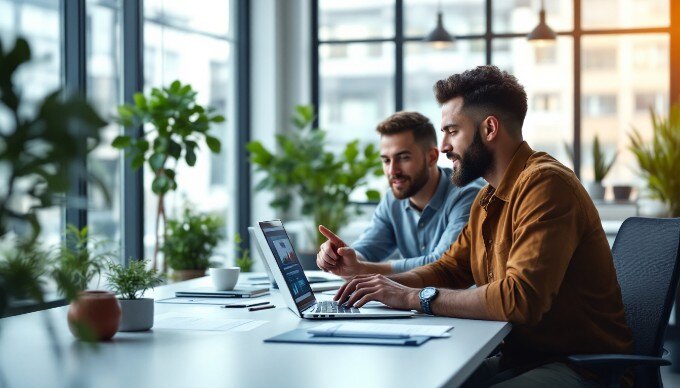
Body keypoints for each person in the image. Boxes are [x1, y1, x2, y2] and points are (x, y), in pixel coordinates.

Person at [326, 66, 633, 387]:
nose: (443, 147)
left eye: (452, 131)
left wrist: (411, 298)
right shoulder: (487, 197)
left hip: (581, 367)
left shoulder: (546, 184)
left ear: (489, 128)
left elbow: (519, 299)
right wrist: (382, 289)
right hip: (523, 356)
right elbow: (450, 269)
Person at [316, 111, 483, 277]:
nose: (392, 170)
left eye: (403, 158)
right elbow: (366, 250)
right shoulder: (392, 200)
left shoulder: (467, 195)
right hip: (414, 301)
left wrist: (363, 269)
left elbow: (443, 264)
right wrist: (342, 257)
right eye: (386, 160)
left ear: (432, 157)